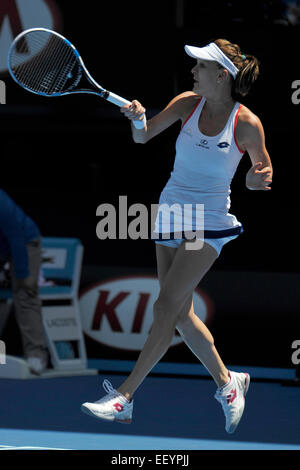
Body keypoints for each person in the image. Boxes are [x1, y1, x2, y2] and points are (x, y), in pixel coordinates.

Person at [81, 39, 273, 433]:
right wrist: (136, 118)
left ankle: (125, 396)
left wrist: (256, 180)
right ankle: (228, 382)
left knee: (166, 303)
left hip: (211, 219)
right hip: (171, 211)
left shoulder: (247, 123)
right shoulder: (187, 102)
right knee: (179, 312)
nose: (192, 72)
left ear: (222, 75)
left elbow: (261, 174)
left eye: (200, 66)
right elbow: (143, 136)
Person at [0, 189, 49, 374]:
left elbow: (16, 238)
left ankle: (36, 356)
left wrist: (22, 274)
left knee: (25, 293)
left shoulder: (1, 202)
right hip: (2, 247)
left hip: (25, 243)